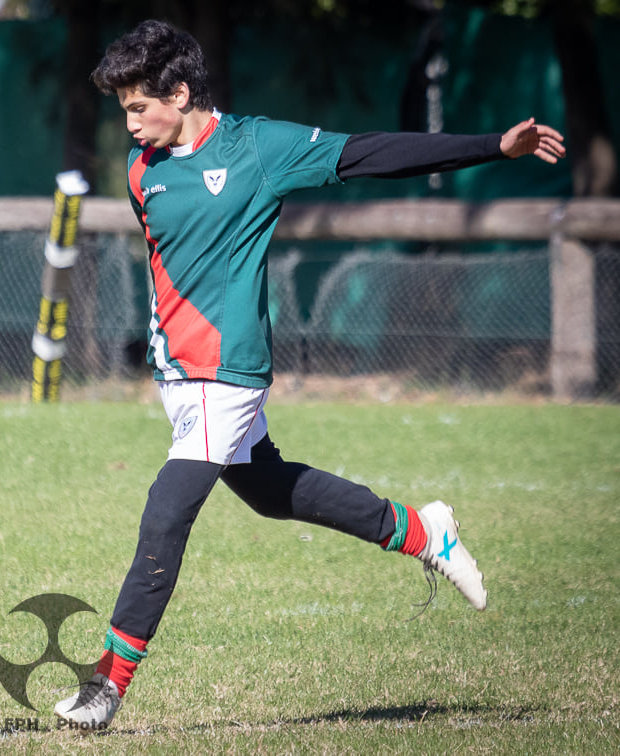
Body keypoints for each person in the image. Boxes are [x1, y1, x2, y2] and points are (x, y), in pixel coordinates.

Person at [54, 19, 566, 730]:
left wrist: (491, 146)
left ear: (180, 93)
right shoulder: (145, 172)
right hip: (178, 380)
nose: (131, 124)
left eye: (140, 107)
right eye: (124, 110)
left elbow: (371, 153)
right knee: (269, 491)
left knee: (166, 512)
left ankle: (106, 686)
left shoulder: (259, 149)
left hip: (227, 376)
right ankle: (423, 532)